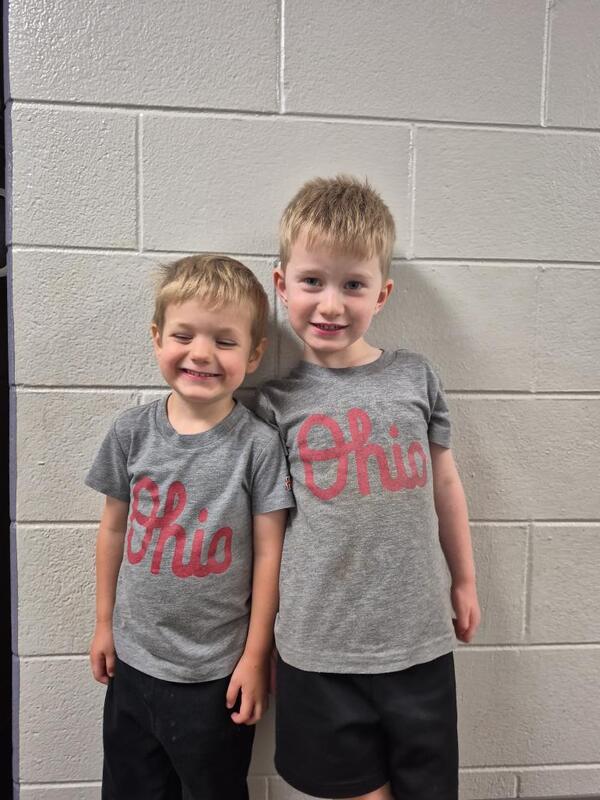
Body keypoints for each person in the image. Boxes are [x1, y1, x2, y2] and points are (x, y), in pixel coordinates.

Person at [255, 176, 481, 800]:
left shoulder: (415, 377)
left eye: (352, 285)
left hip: (417, 642)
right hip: (316, 648)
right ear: (281, 285)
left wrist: (464, 580)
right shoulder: (274, 406)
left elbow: (445, 482)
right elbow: (266, 535)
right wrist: (259, 640)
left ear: (381, 294)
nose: (331, 305)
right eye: (312, 281)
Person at [85, 254, 294, 800]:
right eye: (184, 335)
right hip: (132, 665)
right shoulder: (131, 433)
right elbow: (112, 531)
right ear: (157, 338)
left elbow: (270, 555)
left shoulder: (258, 447)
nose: (201, 353)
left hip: (215, 678)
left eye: (224, 341)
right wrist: (104, 623)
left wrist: (256, 657)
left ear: (253, 354)